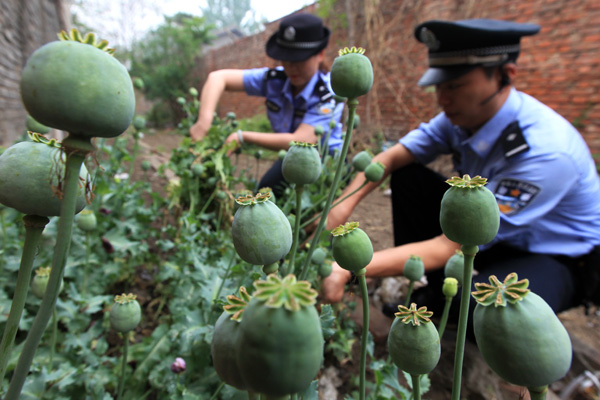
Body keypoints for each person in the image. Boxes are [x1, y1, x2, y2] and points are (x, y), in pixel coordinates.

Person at [320, 19, 600, 318]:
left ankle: (449, 309)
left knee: (485, 307)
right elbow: (392, 157)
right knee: (407, 176)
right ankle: (434, 291)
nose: (442, 99)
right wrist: (339, 208)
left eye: (454, 86)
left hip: (555, 256)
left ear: (506, 75)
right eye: (439, 86)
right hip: (490, 236)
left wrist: (349, 267)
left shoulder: (547, 153)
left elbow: (451, 244)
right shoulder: (463, 116)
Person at [190, 13, 344, 197]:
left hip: (328, 163)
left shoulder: (328, 93)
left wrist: (242, 136)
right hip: (292, 157)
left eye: (299, 60)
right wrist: (204, 121)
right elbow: (217, 78)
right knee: (267, 192)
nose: (291, 67)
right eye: (286, 59)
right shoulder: (275, 79)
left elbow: (302, 140)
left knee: (307, 211)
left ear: (320, 54)